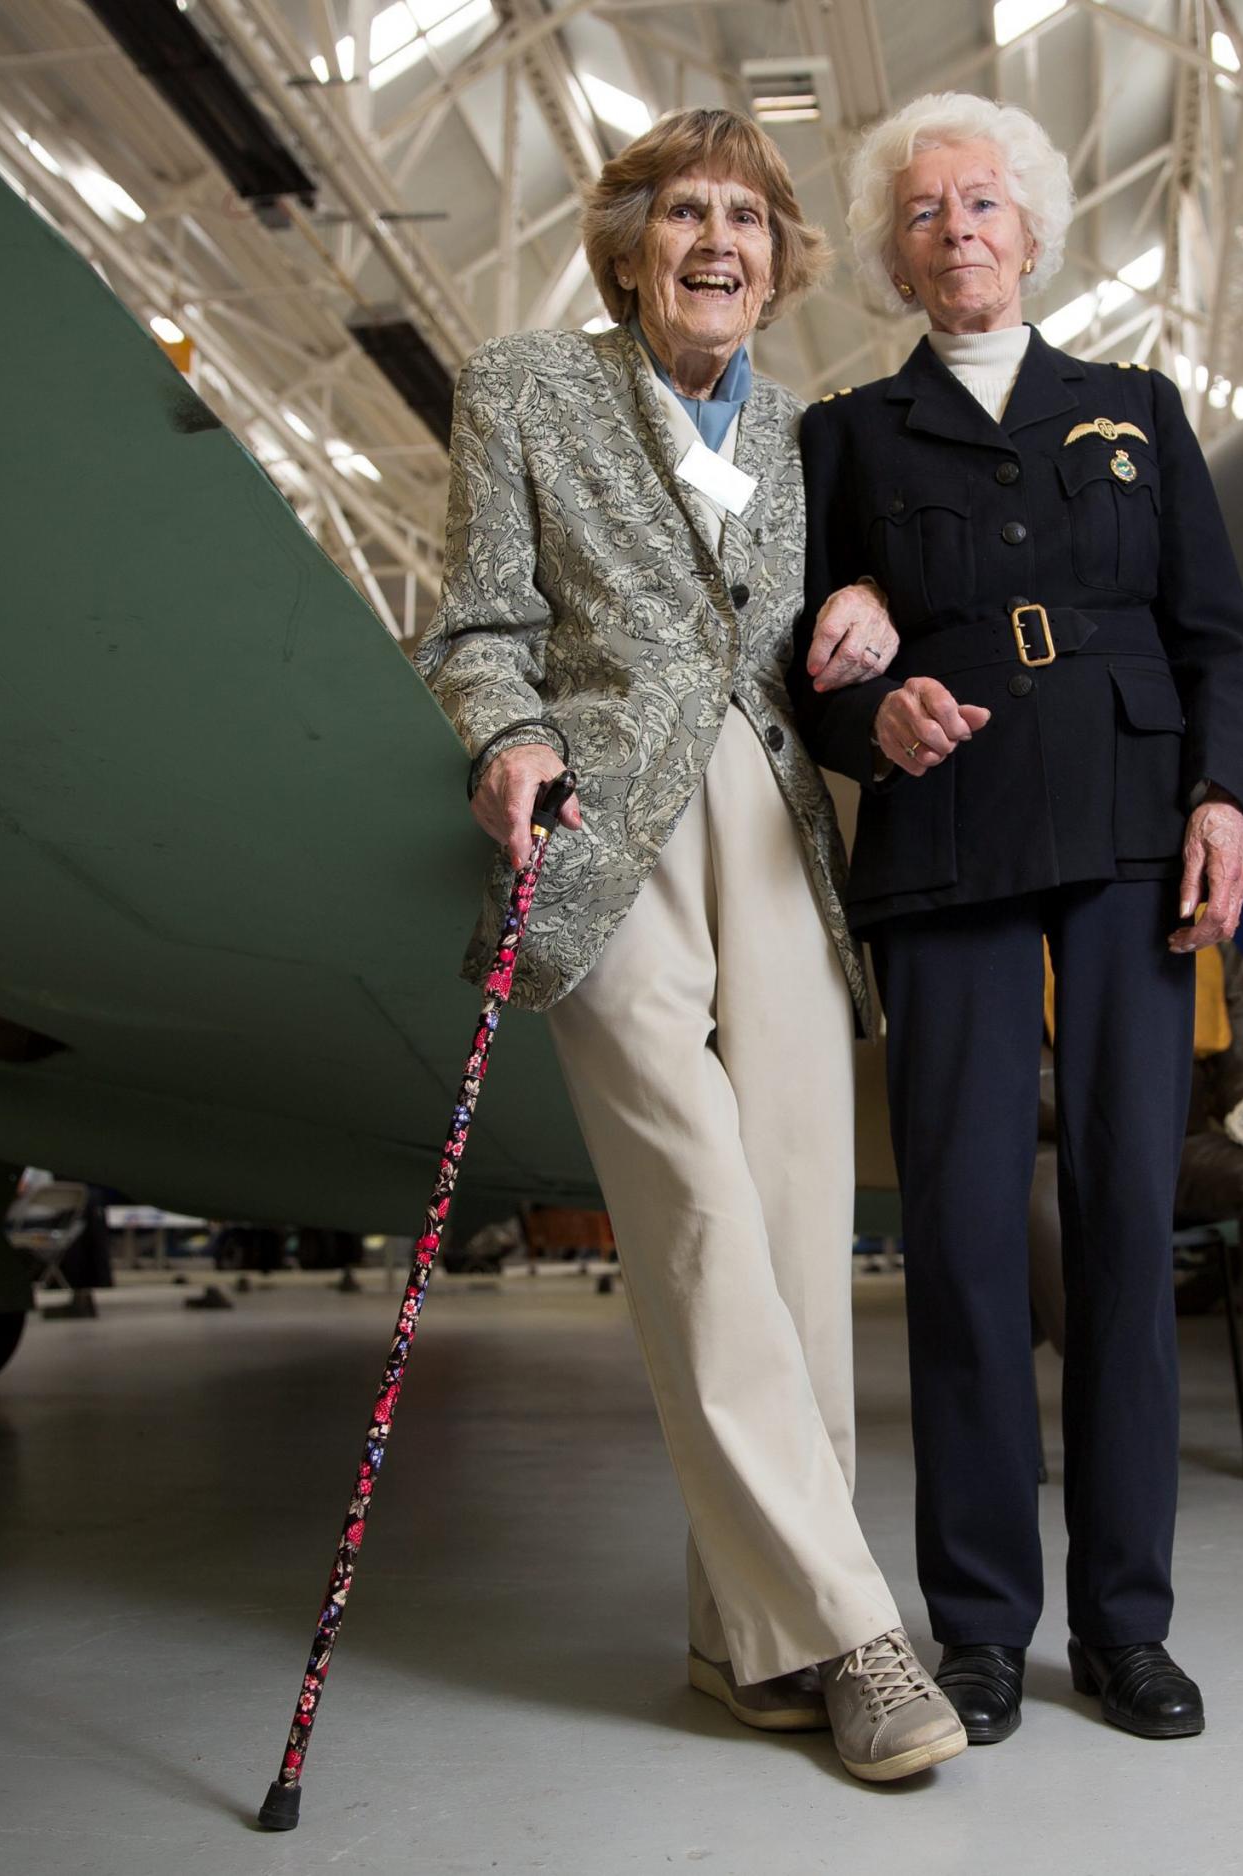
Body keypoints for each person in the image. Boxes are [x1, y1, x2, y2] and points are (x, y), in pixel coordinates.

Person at [410, 108, 964, 1783]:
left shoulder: (808, 434)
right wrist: (505, 736)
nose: (719, 240)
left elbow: (820, 640)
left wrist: (870, 625)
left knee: (801, 1237)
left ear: (786, 259)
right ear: (633, 241)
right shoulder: (525, 387)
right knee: (706, 1221)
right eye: (687, 213)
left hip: (783, 836)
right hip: (607, 836)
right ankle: (857, 1635)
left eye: (750, 217)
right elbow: (480, 626)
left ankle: (745, 1645)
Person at [793, 92, 1243, 1748]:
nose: (958, 231)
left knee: (1134, 1231)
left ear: (1035, 228)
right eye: (923, 213)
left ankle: (1128, 1626)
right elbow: (811, 680)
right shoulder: (845, 438)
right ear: (894, 253)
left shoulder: (1136, 409)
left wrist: (1225, 798)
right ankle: (981, 1628)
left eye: (982, 202)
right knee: (970, 1244)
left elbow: (1219, 634)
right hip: (951, 843)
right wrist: (871, 722)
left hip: (1135, 837)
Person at [1027, 947, 1243, 1493]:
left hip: (1176, 1136)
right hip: (1060, 1140)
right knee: (1044, 1197)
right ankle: (1103, 1415)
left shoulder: (1206, 934)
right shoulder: (1030, 934)